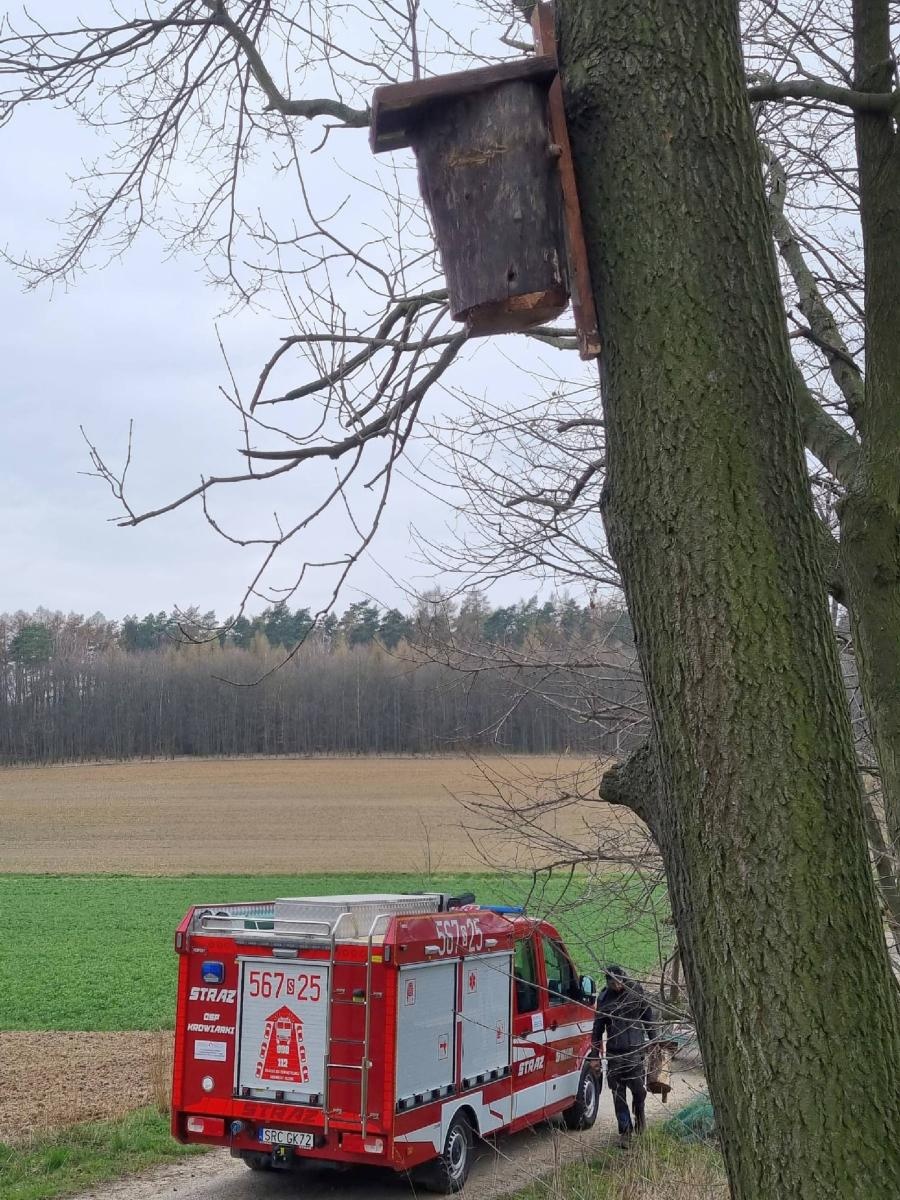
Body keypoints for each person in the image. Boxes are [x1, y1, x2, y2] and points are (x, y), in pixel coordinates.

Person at [592, 964, 656, 1147]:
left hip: (635, 1051)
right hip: (614, 1054)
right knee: (618, 1094)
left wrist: (654, 1041)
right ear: (608, 983)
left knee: (639, 1091)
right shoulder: (604, 999)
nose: (617, 986)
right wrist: (594, 1055)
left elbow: (647, 1017)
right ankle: (625, 1131)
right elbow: (597, 1030)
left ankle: (640, 1117)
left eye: (618, 982)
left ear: (623, 978)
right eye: (612, 984)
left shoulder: (635, 990)